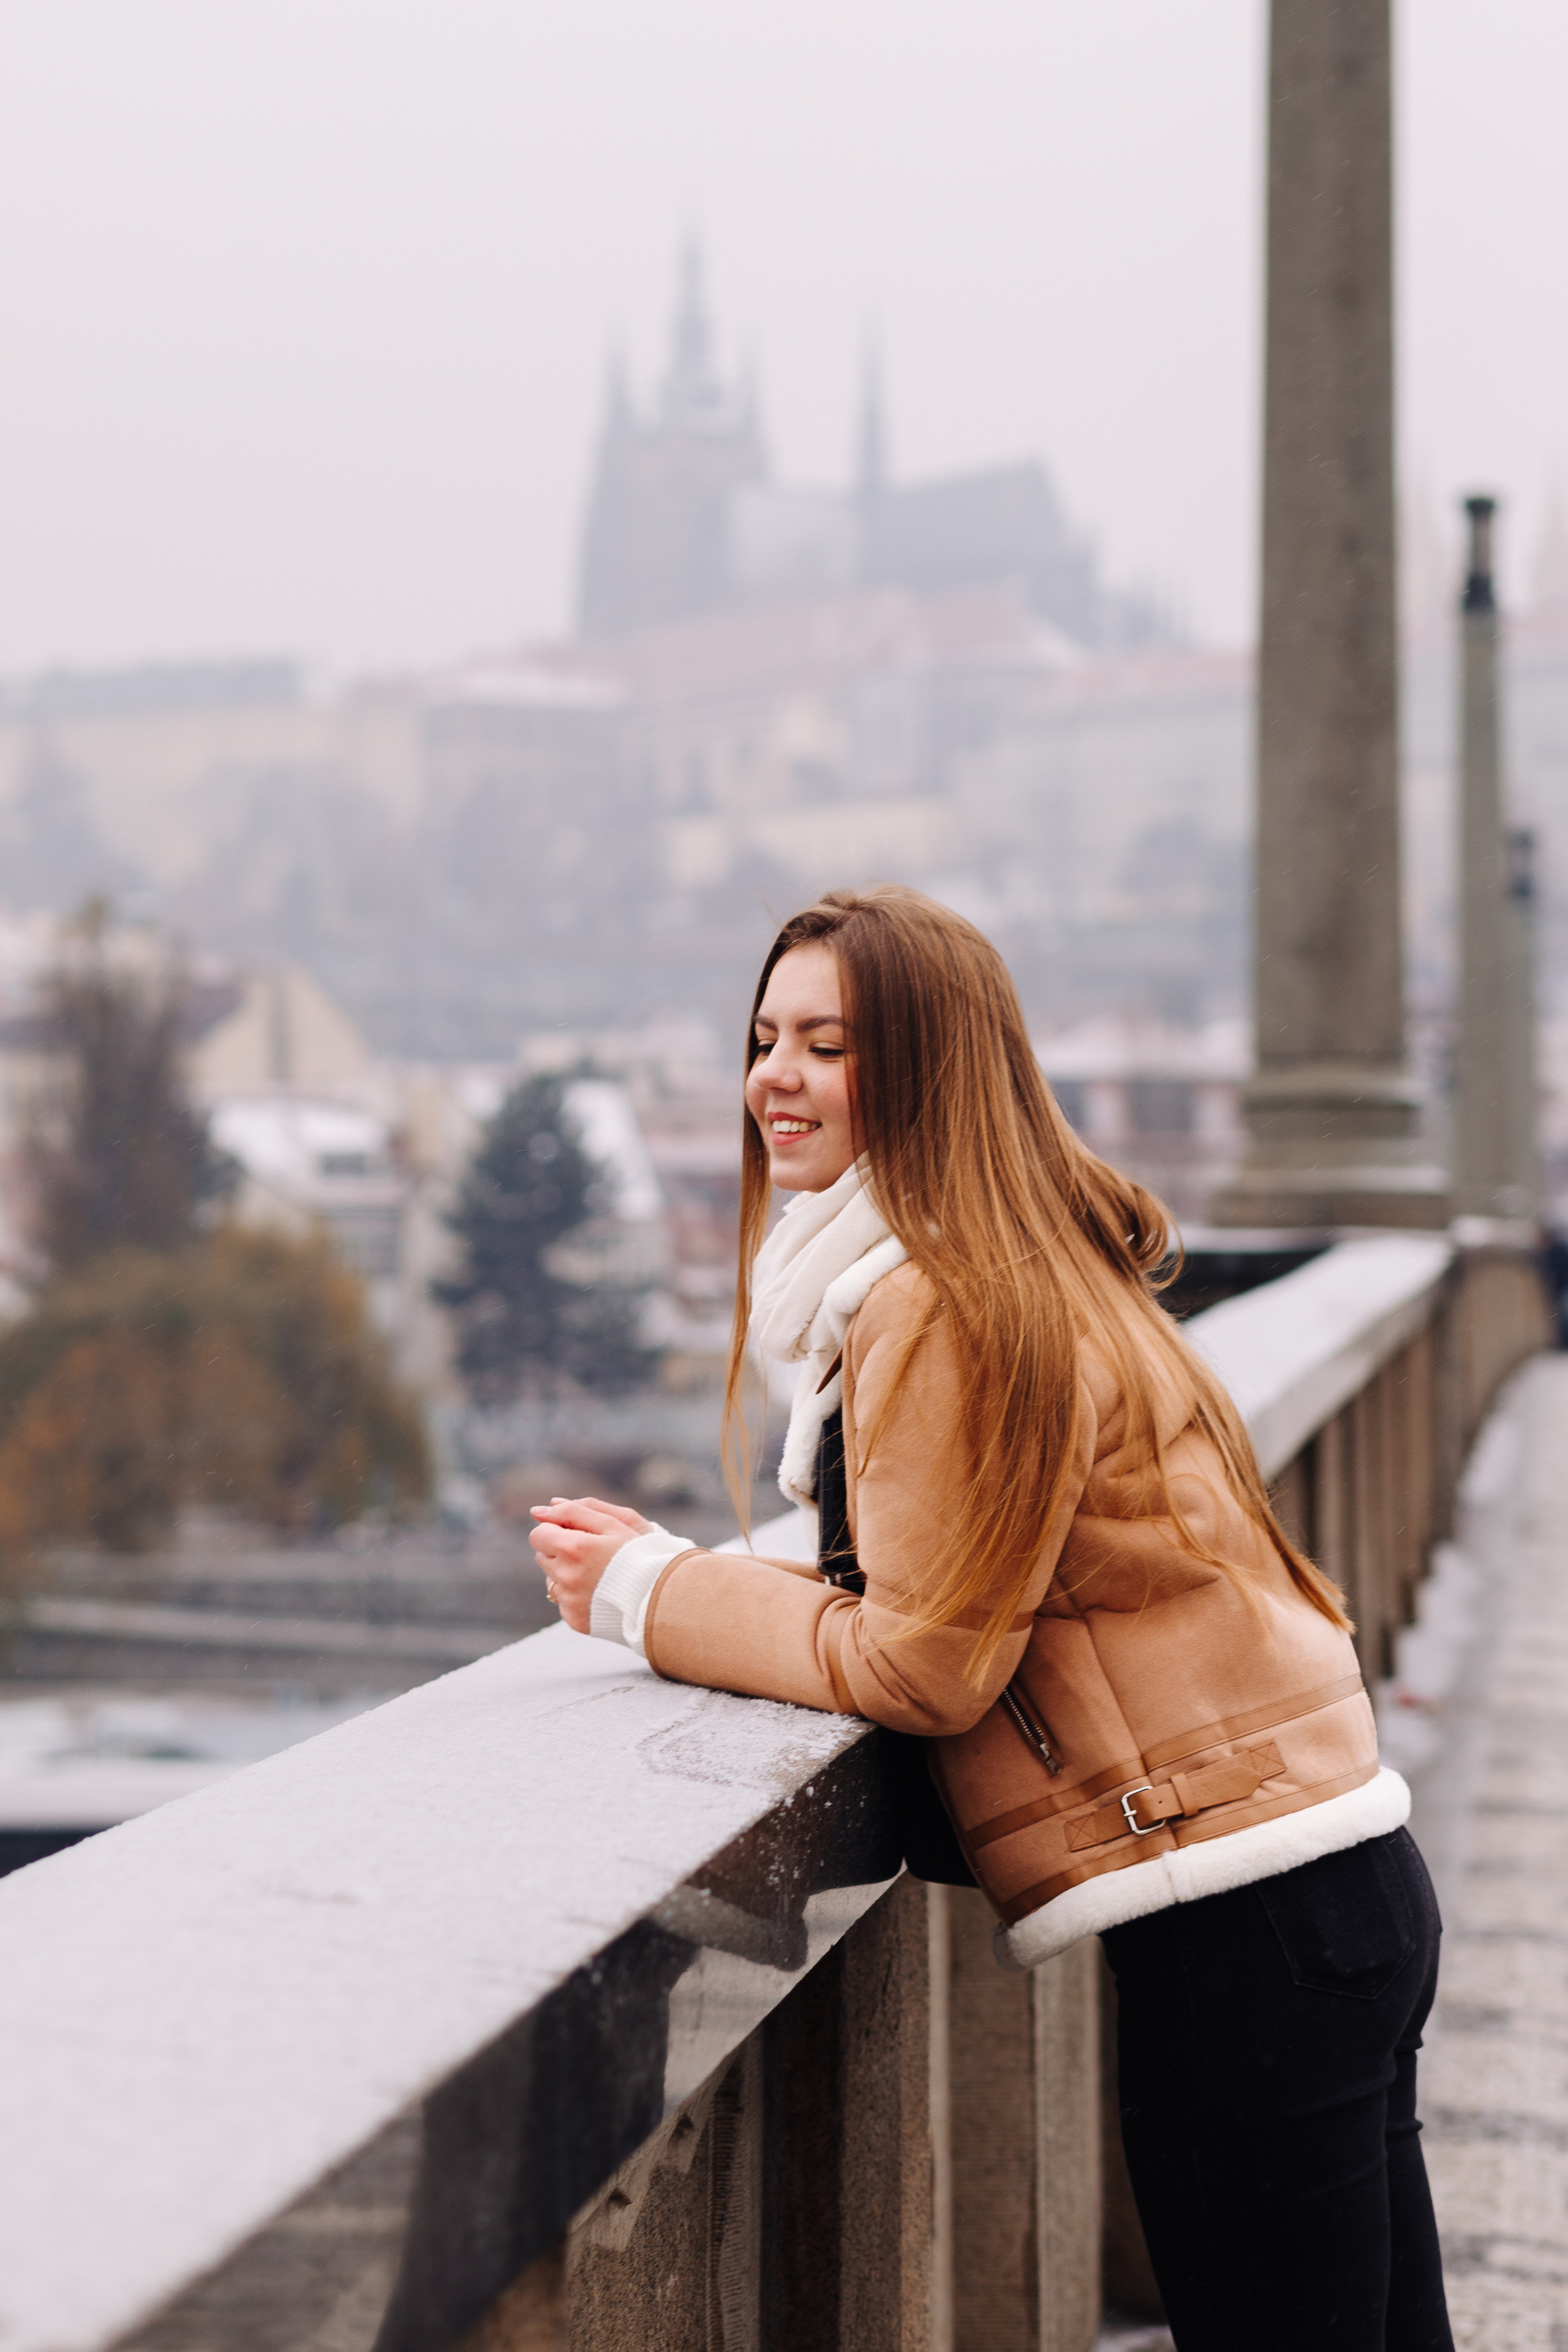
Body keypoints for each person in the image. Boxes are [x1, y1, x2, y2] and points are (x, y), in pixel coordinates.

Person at [531, 885, 1452, 2352]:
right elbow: (939, 1593)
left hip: (1243, 1935)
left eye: (826, 1045)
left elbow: (928, 1661)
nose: (775, 1077)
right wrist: (692, 1579)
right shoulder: (1019, 1263)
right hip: (1316, 1896)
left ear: (929, 1066)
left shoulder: (943, 1302)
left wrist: (650, 1597)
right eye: (764, 1038)